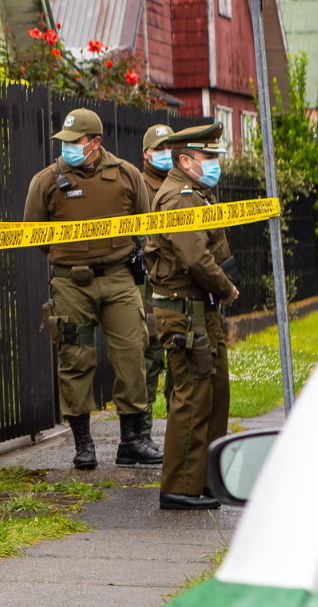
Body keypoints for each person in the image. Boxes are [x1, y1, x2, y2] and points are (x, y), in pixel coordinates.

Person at [23, 108, 163, 470]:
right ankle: (83, 443)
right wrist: (67, 255)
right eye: (64, 142)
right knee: (76, 357)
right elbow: (33, 234)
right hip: (71, 282)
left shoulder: (127, 175)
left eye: (75, 142)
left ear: (95, 143)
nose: (67, 148)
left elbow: (143, 224)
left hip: (119, 277)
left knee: (132, 352)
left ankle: (132, 440)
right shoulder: (46, 181)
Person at [144, 122, 237, 511]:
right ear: (185, 160)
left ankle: (203, 480)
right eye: (207, 157)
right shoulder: (180, 198)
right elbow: (195, 258)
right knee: (193, 397)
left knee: (214, 394)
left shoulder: (197, 193)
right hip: (186, 312)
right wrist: (226, 287)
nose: (214, 163)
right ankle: (179, 487)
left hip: (202, 312)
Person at [139, 124, 175, 451]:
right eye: (159, 148)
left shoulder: (181, 183)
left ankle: (178, 434)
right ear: (147, 153)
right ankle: (143, 435)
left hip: (179, 280)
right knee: (150, 358)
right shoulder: (140, 186)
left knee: (179, 357)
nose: (166, 154)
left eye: (170, 147)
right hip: (150, 282)